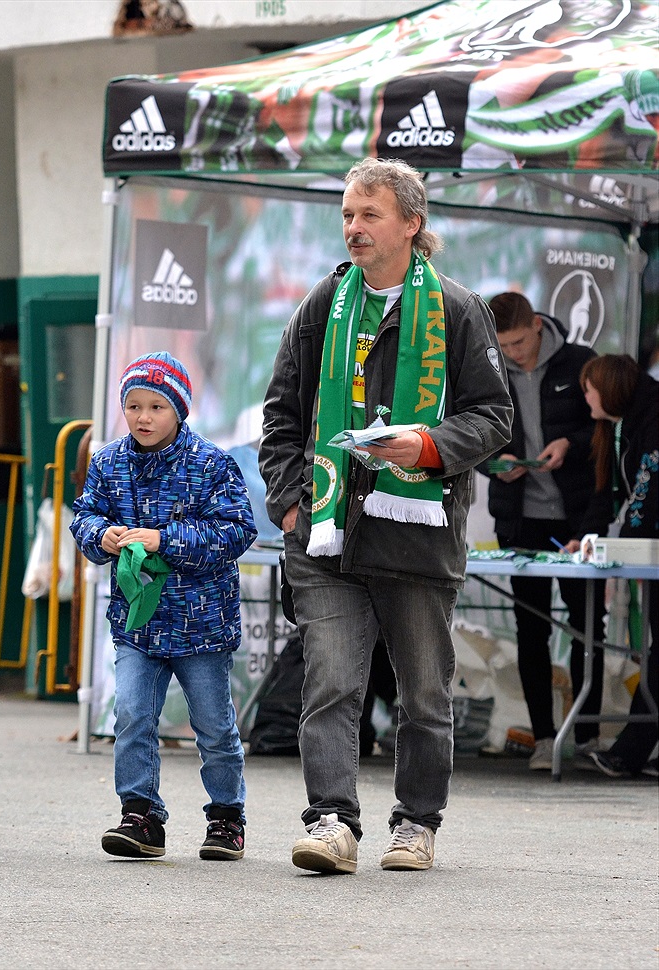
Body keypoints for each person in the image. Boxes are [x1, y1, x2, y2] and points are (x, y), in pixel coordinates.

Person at [258, 157, 513, 873]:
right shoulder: (322, 305)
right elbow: (281, 415)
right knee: (331, 685)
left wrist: (427, 446)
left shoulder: (459, 309)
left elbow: (494, 417)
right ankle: (332, 822)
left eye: (369, 214)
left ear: (411, 223)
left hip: (418, 536)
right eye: (347, 214)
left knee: (424, 696)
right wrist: (290, 502)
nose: (354, 227)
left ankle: (417, 824)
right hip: (326, 536)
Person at [70, 351, 257, 859]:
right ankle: (141, 816)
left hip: (203, 626)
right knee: (131, 715)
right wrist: (101, 535)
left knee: (214, 727)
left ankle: (226, 819)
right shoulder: (107, 461)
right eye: (133, 406)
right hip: (138, 623)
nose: (143, 418)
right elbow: (84, 515)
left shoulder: (211, 463)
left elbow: (237, 531)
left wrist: (164, 540)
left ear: (180, 410)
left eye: (156, 407)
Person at [482, 292, 607, 771]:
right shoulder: (489, 369)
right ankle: (543, 737)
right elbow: (471, 438)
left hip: (578, 516)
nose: (512, 353)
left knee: (587, 626)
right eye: (503, 346)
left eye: (518, 342)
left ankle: (589, 736)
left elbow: (605, 430)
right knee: (529, 627)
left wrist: (569, 444)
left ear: (537, 324)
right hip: (520, 519)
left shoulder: (580, 362)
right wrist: (497, 465)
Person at [569, 354, 658, 778]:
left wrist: (618, 547)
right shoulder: (617, 426)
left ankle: (630, 752)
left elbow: (645, 493)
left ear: (610, 390)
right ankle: (632, 751)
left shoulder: (652, 419)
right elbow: (606, 491)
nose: (585, 398)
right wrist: (588, 536)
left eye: (589, 390)